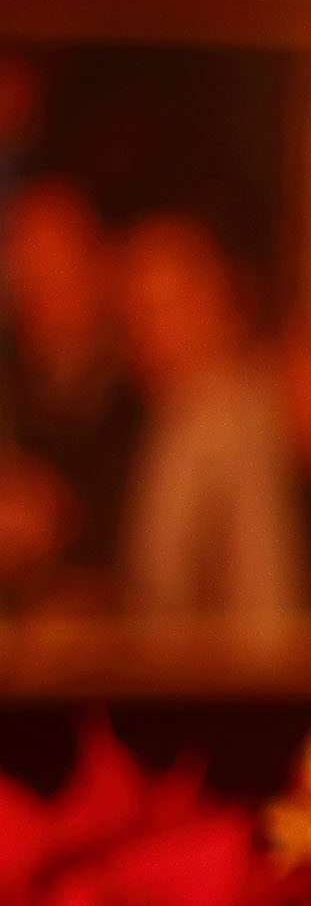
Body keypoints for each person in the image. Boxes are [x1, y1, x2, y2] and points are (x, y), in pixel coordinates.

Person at [113, 213, 309, 625]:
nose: (145, 334)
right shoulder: (172, 415)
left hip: (227, 664)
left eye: (161, 310)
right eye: (134, 313)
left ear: (215, 303)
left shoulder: (228, 418)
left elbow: (249, 600)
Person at [0, 177, 138, 596]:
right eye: (24, 257)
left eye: (56, 258)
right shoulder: (13, 382)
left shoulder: (142, 387)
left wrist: (64, 519)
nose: (37, 278)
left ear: (100, 264)